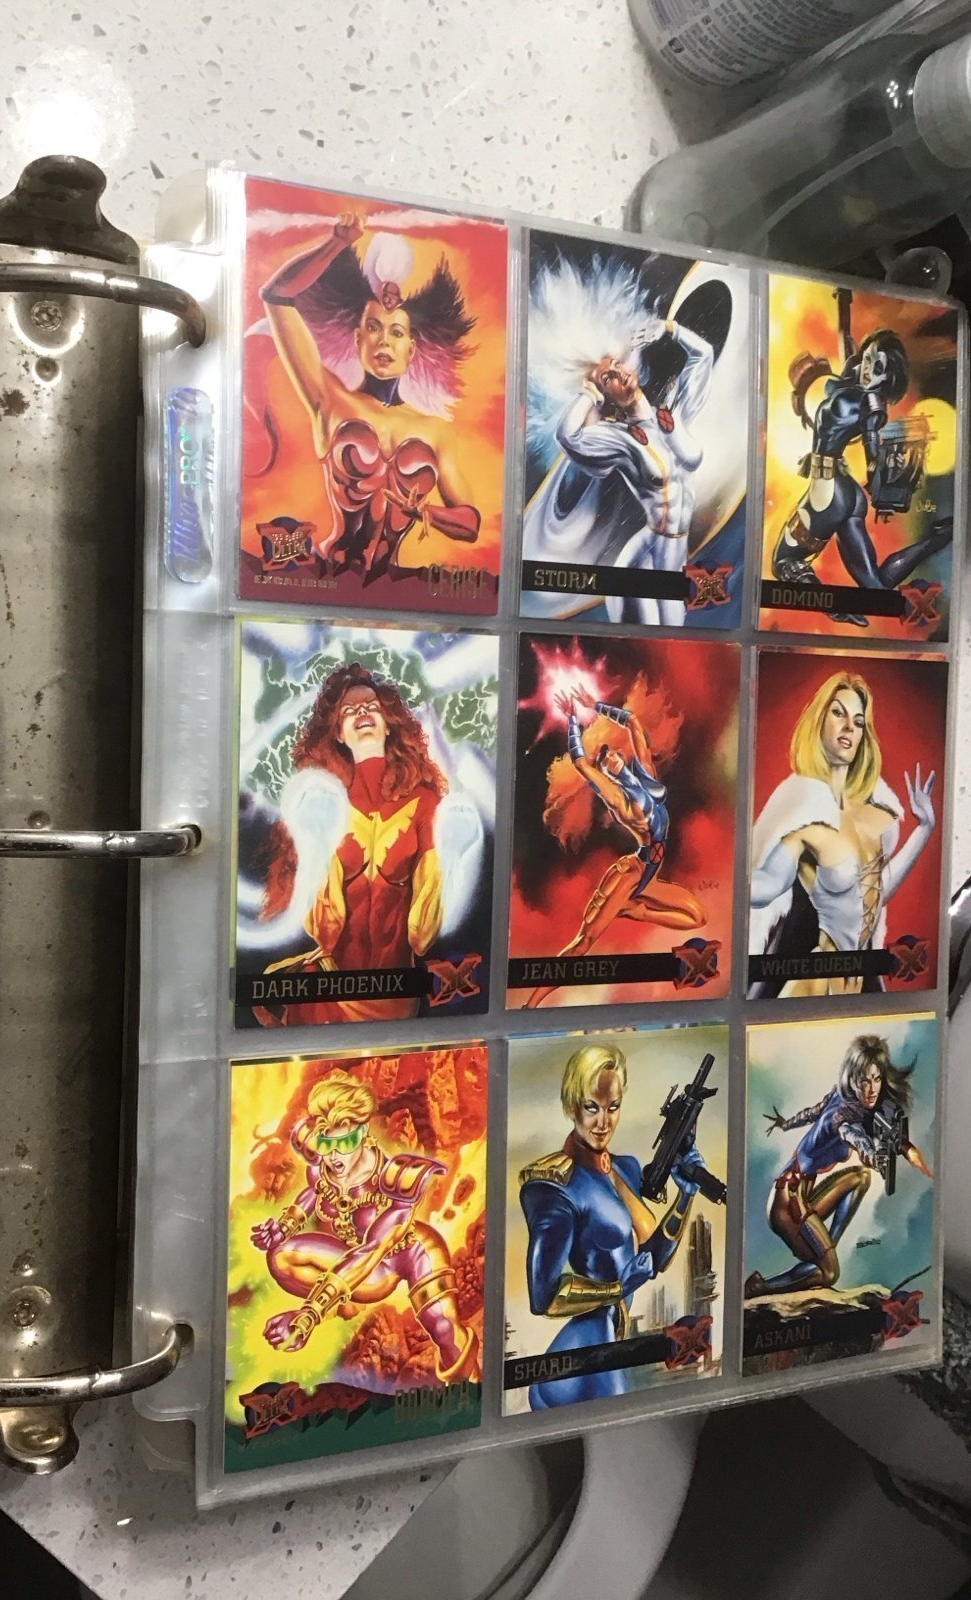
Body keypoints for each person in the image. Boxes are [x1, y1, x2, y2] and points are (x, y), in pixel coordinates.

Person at [256, 213, 481, 582]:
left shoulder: (436, 432)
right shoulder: (330, 399)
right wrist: (336, 243)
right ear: (358, 340)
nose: (383, 342)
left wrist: (426, 512)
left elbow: (470, 522)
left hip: (388, 588)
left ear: (411, 349)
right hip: (328, 575)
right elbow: (276, 296)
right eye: (374, 328)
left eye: (396, 333)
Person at [254, 662, 451, 1025]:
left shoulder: (424, 803)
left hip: (397, 994)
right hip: (330, 988)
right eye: (349, 710)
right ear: (338, 734)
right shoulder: (326, 805)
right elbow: (322, 927)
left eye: (372, 706)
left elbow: (424, 932)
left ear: (389, 724)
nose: (362, 712)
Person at [251, 1070, 477, 1382]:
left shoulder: (396, 1180)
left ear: (363, 1134)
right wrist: (285, 1225)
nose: (334, 1155)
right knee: (281, 1258)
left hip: (403, 1255)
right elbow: (313, 1192)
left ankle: (472, 1385)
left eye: (345, 1142)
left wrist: (309, 1315)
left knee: (444, 1330)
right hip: (353, 1254)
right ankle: (340, 1304)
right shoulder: (323, 1165)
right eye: (326, 1143)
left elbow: (373, 1250)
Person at [519, 1043, 703, 1408]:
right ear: (572, 1107)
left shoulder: (625, 1168)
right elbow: (543, 1297)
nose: (603, 1122)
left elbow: (654, 1259)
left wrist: (685, 1195)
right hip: (588, 1340)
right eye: (592, 1108)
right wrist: (618, 1288)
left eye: (613, 1107)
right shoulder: (554, 1186)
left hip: (611, 1333)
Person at [749, 671, 935, 998]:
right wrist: (720, 883)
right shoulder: (801, 813)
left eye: (858, 721)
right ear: (819, 720)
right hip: (817, 978)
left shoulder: (875, 814)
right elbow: (766, 885)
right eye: (838, 713)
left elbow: (873, 895)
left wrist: (924, 829)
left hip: (862, 979)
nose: (849, 726)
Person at [526, 685, 704, 1008]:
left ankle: (636, 911)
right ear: (608, 772)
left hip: (650, 875)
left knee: (696, 916)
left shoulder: (647, 776)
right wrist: (572, 720)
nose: (611, 757)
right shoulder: (619, 799)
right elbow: (582, 764)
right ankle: (532, 1002)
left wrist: (595, 705)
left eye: (612, 753)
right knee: (584, 942)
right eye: (606, 761)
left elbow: (633, 722)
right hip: (633, 872)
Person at [771, 307, 952, 621]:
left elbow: (871, 444)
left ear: (889, 376)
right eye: (868, 360)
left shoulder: (871, 402)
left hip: (829, 491)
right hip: (843, 491)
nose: (868, 369)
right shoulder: (854, 385)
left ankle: (838, 610)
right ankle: (938, 539)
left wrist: (875, 471)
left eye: (877, 367)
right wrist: (843, 305)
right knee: (874, 585)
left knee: (784, 562)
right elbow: (849, 347)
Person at [548, 316, 715, 626]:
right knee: (655, 634)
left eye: (617, 365)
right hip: (644, 559)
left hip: (673, 552)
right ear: (606, 395)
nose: (618, 373)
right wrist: (589, 393)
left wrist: (670, 329)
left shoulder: (673, 412)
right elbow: (567, 436)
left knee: (673, 628)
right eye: (607, 378)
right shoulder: (620, 438)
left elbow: (703, 354)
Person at [745, 1035, 932, 1298]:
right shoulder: (842, 1116)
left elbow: (812, 1113)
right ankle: (760, 1287)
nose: (872, 1089)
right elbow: (851, 1133)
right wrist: (871, 1153)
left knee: (861, 1178)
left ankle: (826, 1246)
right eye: (864, 1081)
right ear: (852, 1079)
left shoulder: (838, 1096)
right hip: (787, 1206)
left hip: (802, 1199)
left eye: (877, 1079)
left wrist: (786, 1124)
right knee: (829, 1274)